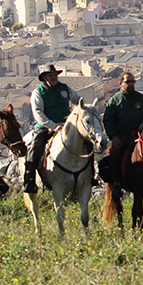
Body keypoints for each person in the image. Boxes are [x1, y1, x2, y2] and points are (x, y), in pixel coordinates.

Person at [23, 64, 81, 194]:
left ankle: (90, 175)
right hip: (45, 126)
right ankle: (29, 180)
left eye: (55, 75)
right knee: (35, 147)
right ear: (44, 78)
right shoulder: (38, 92)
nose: (54, 77)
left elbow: (77, 100)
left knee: (87, 143)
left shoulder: (66, 89)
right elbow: (38, 113)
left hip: (67, 125)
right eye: (50, 76)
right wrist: (53, 126)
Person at [100, 72, 143, 189]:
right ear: (120, 84)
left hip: (140, 134)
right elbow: (108, 121)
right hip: (122, 135)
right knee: (114, 155)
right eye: (127, 82)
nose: (131, 84)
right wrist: (113, 137)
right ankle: (116, 183)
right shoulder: (114, 101)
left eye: (133, 82)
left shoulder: (141, 99)